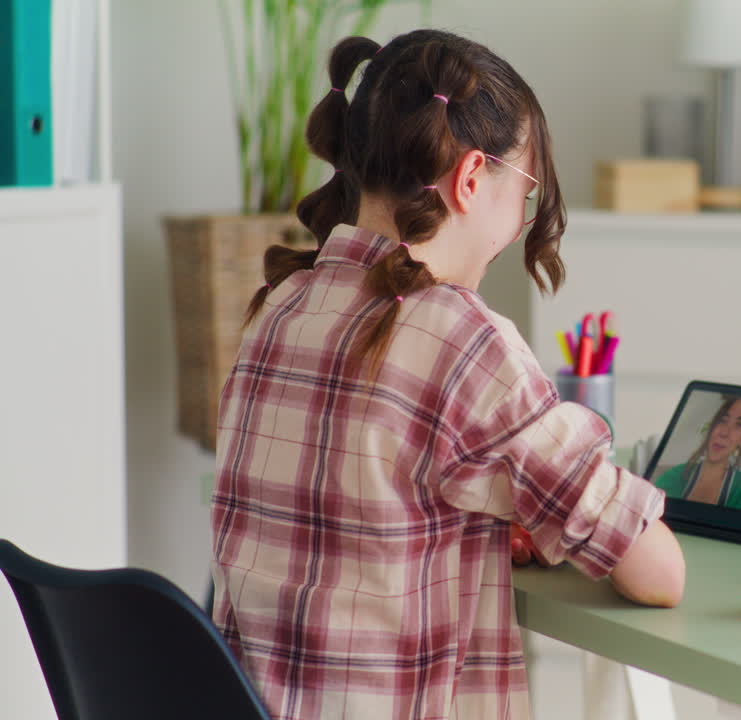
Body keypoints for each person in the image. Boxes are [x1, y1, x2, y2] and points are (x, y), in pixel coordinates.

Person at [209, 29, 685, 720]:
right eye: (525, 192)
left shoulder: (278, 308)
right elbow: (658, 574)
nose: (522, 221)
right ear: (469, 180)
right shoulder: (460, 340)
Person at [654, 395, 741, 509]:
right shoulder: (674, 476)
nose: (724, 433)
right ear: (712, 426)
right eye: (723, 420)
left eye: (739, 425)